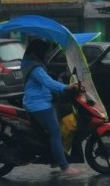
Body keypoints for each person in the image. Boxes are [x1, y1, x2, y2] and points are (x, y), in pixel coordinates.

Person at [21, 38, 82, 176]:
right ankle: (65, 167)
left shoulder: (30, 63)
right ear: (39, 52)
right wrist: (66, 87)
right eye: (46, 51)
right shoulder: (35, 67)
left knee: (57, 123)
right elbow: (47, 82)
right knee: (55, 132)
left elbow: (48, 79)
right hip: (38, 105)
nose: (47, 54)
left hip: (39, 101)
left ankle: (55, 157)